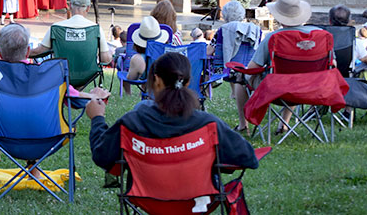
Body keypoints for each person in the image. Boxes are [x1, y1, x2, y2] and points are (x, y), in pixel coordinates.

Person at [86, 52, 258, 175]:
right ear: (188, 82)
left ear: (157, 80)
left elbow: (102, 156)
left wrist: (98, 118)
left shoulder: (133, 121)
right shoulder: (209, 124)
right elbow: (247, 158)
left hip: (146, 197)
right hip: (198, 199)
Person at [0, 23, 109, 161]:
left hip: (5, 140)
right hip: (50, 140)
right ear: (28, 51)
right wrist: (94, 96)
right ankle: (33, 171)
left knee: (9, 109)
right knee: (31, 108)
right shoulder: (48, 76)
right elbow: (75, 97)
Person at [246, 0, 324, 133]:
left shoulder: (273, 37)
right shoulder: (321, 35)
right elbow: (333, 65)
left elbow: (253, 67)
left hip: (277, 91)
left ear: (279, 17)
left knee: (241, 78)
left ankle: (243, 125)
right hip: (313, 89)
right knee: (295, 75)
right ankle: (284, 124)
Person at [213, 0, 261, 134]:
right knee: (242, 73)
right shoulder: (256, 29)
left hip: (231, 70)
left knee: (239, 77)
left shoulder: (223, 30)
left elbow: (209, 51)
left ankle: (243, 124)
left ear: (225, 16)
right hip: (253, 71)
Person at [29, 0, 111, 65]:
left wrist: (21, 53)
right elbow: (105, 59)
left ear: (70, 6)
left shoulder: (55, 28)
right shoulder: (96, 29)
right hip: (88, 74)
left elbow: (39, 51)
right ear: (88, 8)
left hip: (61, 71)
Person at [124, 16, 170, 95]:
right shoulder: (168, 56)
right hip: (167, 90)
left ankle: (131, 94)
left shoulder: (138, 59)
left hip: (147, 79)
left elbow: (131, 79)